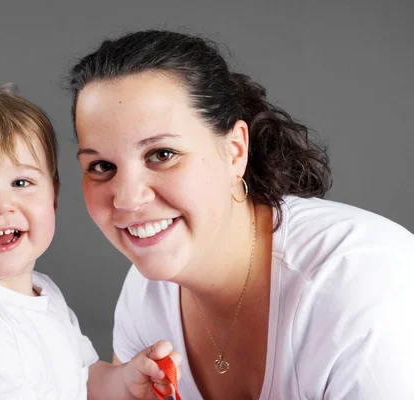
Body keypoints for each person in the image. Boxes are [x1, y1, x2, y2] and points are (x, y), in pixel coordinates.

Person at [68, 30, 414, 399]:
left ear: (235, 152)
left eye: (162, 154)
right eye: (101, 165)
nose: (127, 199)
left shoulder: (362, 285)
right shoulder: (144, 296)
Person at [0, 83, 181, 399]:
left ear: (54, 198)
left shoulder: (39, 292)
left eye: (21, 182)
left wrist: (127, 383)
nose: (1, 206)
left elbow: (83, 381)